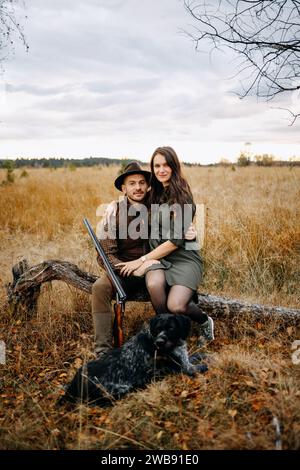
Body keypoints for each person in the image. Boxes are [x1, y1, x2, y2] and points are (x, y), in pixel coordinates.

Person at [92, 161, 196, 357]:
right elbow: (104, 254)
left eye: (141, 182)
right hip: (124, 269)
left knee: (159, 283)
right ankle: (103, 351)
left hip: (155, 265)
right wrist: (125, 269)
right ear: (123, 188)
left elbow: (180, 218)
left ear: (148, 185)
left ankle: (171, 341)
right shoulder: (113, 212)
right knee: (99, 288)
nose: (138, 187)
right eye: (132, 183)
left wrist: (187, 228)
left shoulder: (158, 204)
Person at [116, 147, 214, 343]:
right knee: (154, 285)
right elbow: (133, 196)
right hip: (158, 257)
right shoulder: (154, 193)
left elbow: (176, 242)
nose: (161, 170)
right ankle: (170, 335)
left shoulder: (183, 196)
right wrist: (115, 205)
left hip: (183, 257)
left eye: (166, 165)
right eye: (157, 166)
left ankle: (204, 321)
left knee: (177, 305)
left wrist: (141, 260)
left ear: (174, 166)